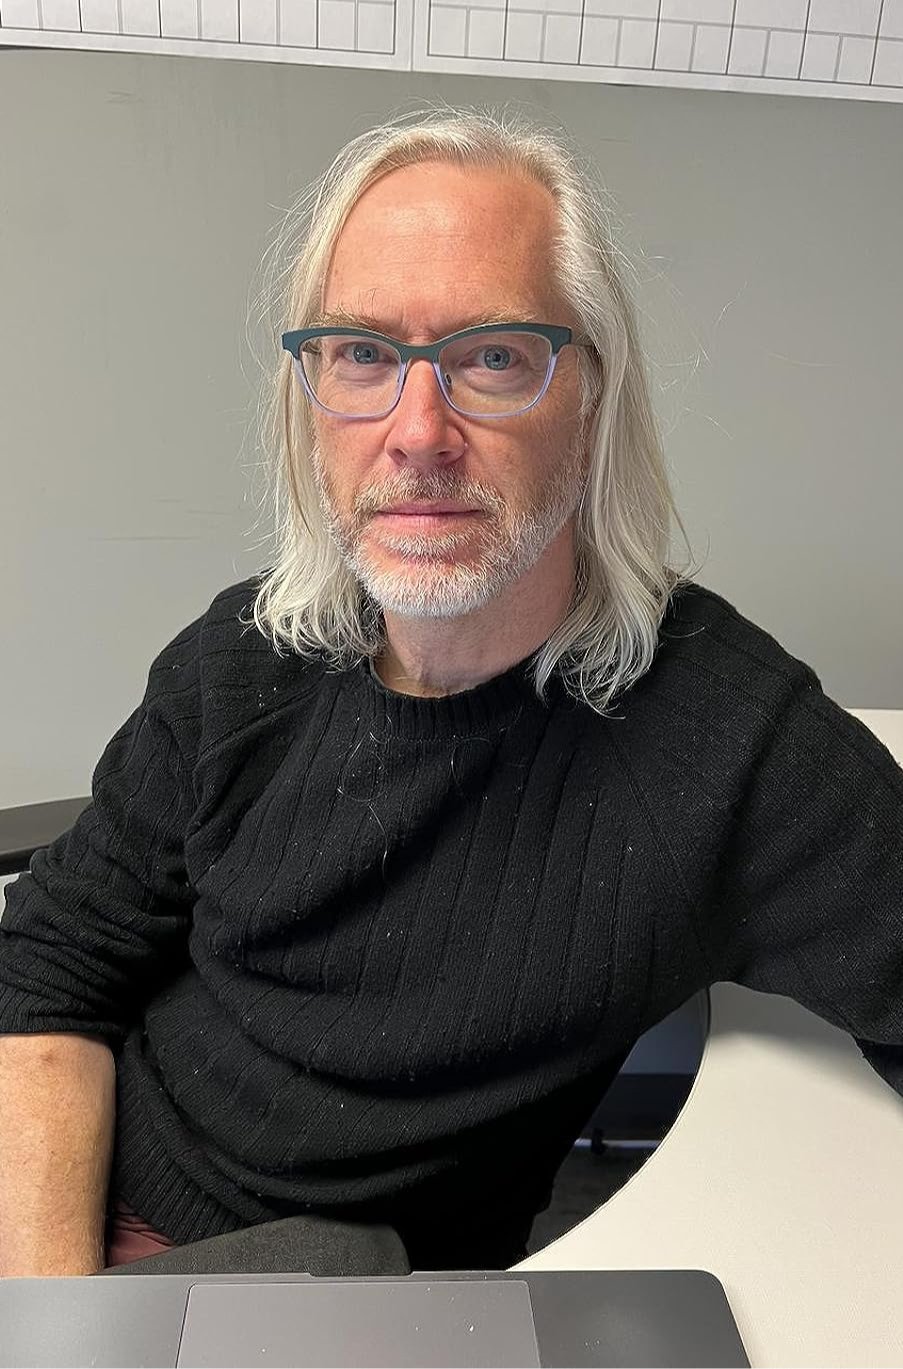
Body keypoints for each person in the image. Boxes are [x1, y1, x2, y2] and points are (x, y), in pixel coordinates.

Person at [1, 103, 901, 1279]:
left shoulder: (725, 739)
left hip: (318, 1289)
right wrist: (51, 1316)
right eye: (363, 355)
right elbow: (51, 965)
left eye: (493, 357)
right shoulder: (240, 658)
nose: (418, 433)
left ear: (591, 397)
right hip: (59, 1190)